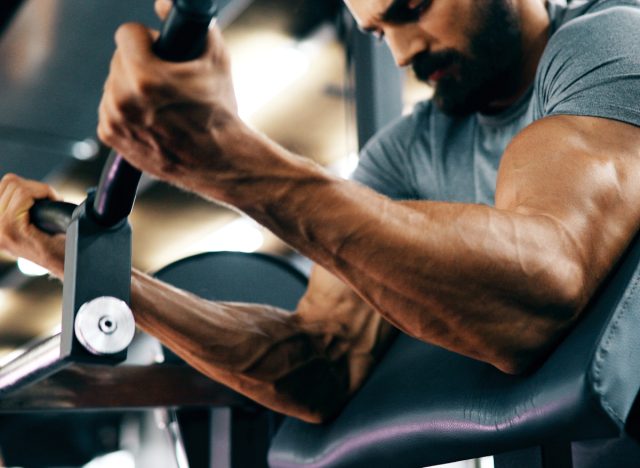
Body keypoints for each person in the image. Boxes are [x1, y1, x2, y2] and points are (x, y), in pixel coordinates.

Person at [1, 0, 639, 446]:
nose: (402, 53)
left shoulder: (607, 40)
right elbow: (322, 361)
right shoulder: (408, 150)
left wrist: (231, 161)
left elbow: (544, 288)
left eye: (413, 8)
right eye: (378, 31)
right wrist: (89, 270)